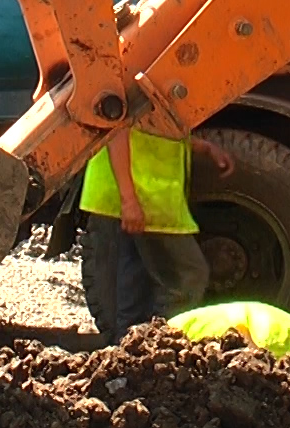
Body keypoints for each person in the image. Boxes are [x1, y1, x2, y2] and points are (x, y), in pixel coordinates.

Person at [79, 128, 232, 341]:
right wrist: (129, 200)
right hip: (141, 196)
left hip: (134, 195)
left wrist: (201, 146)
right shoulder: (130, 95)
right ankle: (157, 346)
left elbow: (158, 126)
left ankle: (133, 351)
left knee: (133, 285)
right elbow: (117, 129)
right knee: (186, 277)